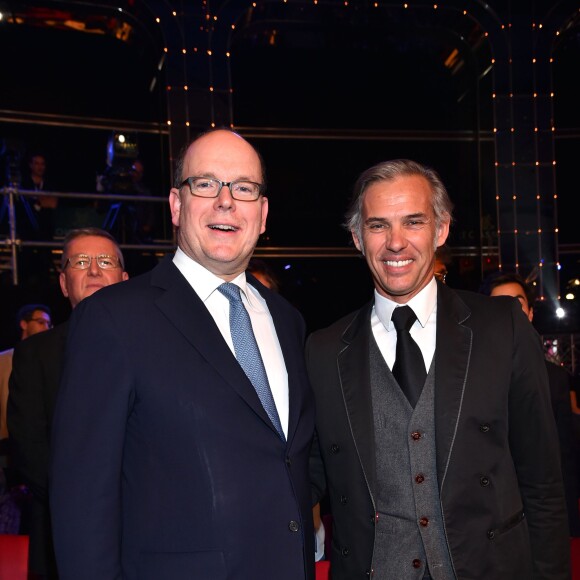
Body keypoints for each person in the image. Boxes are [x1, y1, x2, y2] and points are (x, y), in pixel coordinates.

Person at [49, 128, 315, 580]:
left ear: (263, 213)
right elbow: (82, 501)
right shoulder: (113, 320)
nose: (226, 201)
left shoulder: (288, 321)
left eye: (244, 188)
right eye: (206, 184)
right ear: (176, 205)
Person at [307, 158, 570, 579]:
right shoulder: (322, 351)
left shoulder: (502, 328)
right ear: (357, 237)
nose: (396, 243)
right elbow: (306, 473)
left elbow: (543, 484)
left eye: (413, 222)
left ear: (441, 229)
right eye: (378, 225)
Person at [8, 227, 129, 580]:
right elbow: (29, 447)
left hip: (150, 530)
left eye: (105, 261)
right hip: (63, 533)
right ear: (63, 283)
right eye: (80, 262)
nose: (93, 270)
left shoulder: (161, 348)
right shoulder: (35, 354)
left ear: (125, 279)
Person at [486, 271, 580, 537]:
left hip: (541, 519)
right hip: (491, 523)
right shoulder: (469, 377)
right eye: (500, 306)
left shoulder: (557, 379)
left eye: (517, 304)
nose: (511, 314)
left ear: (529, 313)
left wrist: (569, 522)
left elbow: (564, 458)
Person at [0, 304, 52, 444]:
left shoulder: (51, 360)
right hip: (7, 442)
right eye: (41, 322)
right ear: (24, 324)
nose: (46, 327)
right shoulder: (4, 359)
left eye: (48, 324)